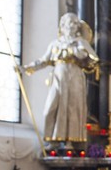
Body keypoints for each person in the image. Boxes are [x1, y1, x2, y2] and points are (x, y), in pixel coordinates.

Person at [24, 13, 99, 151]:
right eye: (70, 22)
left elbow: (93, 59)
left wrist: (79, 53)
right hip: (59, 76)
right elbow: (44, 60)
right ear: (62, 25)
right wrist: (28, 67)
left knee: (72, 108)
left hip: (75, 76)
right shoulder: (55, 44)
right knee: (51, 108)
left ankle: (70, 141)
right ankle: (53, 139)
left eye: (75, 23)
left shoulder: (81, 43)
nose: (73, 25)